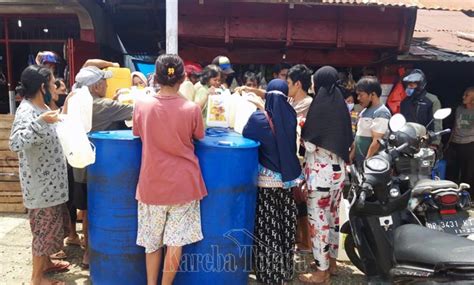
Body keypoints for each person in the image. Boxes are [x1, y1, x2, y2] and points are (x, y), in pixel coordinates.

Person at [133, 54, 207, 285]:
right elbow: (200, 135)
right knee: (175, 242)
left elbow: (137, 133)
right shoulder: (191, 108)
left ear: (155, 77)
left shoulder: (142, 105)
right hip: (184, 185)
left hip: (151, 184)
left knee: (152, 242)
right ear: (183, 77)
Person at [10, 65, 71, 285]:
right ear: (41, 86)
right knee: (43, 233)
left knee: (50, 230)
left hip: (51, 186)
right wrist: (40, 123)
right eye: (53, 82)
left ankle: (45, 264)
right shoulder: (27, 111)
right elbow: (15, 143)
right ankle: (37, 278)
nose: (55, 86)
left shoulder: (41, 106)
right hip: (40, 188)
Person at [72, 62, 134, 268]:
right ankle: (94, 252)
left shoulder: (74, 101)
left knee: (86, 211)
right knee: (97, 209)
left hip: (77, 166)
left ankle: (86, 253)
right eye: (104, 82)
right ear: (96, 87)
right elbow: (134, 111)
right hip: (97, 169)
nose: (107, 85)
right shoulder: (104, 106)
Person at [243, 79, 302, 284]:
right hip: (287, 182)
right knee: (285, 225)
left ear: (267, 94)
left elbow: (245, 137)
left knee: (268, 227)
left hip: (265, 183)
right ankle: (285, 270)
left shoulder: (259, 118)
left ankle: (269, 273)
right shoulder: (291, 115)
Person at [299, 66, 353, 284]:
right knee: (332, 219)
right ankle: (331, 261)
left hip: (320, 175)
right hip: (338, 174)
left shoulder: (319, 106)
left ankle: (321, 273)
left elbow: (310, 144)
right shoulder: (340, 105)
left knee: (318, 222)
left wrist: (301, 127)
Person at [286, 64, 313, 252]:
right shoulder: (291, 100)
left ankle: (307, 241)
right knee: (296, 198)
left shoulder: (308, 104)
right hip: (292, 157)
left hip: (302, 158)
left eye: (288, 83)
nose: (287, 86)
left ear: (297, 84)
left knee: (302, 199)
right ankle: (299, 238)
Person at [350, 76, 391, 168]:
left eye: (361, 95)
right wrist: (351, 156)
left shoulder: (381, 112)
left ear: (372, 94)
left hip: (372, 165)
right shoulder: (364, 112)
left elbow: (377, 142)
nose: (358, 98)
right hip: (360, 162)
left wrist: (367, 162)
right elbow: (358, 137)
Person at [446, 87, 474, 196]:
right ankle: (451, 195)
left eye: (467, 95)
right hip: (455, 143)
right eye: (464, 94)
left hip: (470, 144)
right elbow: (455, 127)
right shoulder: (459, 109)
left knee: (468, 173)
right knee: (452, 170)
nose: (463, 97)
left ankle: (468, 196)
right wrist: (448, 142)